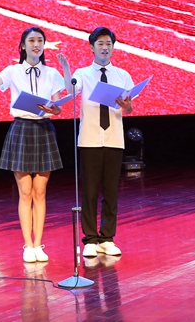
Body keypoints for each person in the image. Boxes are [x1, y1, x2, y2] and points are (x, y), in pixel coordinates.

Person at [0, 27, 65, 263]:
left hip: (44, 130)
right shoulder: (13, 71)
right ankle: (28, 245)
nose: (36, 45)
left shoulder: (52, 73)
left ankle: (39, 244)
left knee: (40, 192)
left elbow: (58, 108)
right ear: (23, 46)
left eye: (40, 40)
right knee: (25, 193)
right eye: (32, 40)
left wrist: (53, 109)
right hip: (22, 129)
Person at [57, 27, 133, 258]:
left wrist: (126, 105)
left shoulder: (122, 75)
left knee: (111, 191)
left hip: (114, 139)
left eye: (108, 43)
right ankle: (90, 239)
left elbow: (129, 108)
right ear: (92, 47)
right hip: (90, 139)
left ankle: (107, 238)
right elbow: (71, 89)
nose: (105, 48)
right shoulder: (83, 73)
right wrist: (66, 69)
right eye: (100, 44)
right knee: (89, 191)